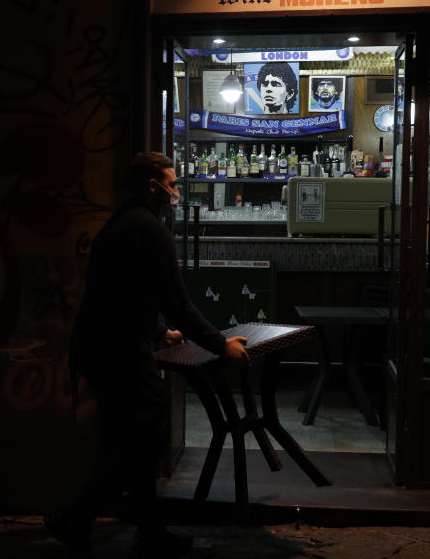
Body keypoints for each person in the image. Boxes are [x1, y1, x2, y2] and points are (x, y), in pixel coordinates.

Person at [46, 152, 249, 558]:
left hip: (103, 346)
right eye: (171, 185)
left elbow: (123, 290)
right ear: (152, 186)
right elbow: (176, 300)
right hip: (118, 352)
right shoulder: (149, 229)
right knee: (146, 439)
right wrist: (220, 345)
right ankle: (75, 516)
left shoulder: (123, 224)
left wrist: (159, 332)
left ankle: (146, 530)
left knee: (132, 440)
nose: (176, 191)